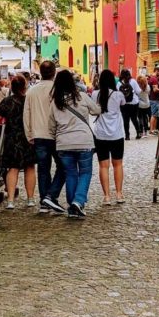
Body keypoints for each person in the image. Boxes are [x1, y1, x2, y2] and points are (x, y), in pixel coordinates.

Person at [51, 69, 102, 218]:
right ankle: (78, 202)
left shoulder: (55, 102)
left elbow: (51, 125)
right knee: (85, 173)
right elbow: (97, 110)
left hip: (63, 143)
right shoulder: (82, 97)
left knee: (70, 174)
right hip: (84, 141)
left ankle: (72, 206)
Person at [24, 60, 65, 214]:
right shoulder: (58, 90)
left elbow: (26, 114)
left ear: (40, 73)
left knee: (43, 169)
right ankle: (51, 194)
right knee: (63, 166)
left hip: (38, 134)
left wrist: (29, 134)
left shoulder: (31, 91)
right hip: (57, 134)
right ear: (54, 72)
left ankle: (44, 201)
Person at [0, 75, 37, 209]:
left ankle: (11, 200)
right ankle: (30, 199)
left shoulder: (8, 101)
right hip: (28, 136)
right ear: (24, 87)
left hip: (12, 137)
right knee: (29, 167)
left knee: (12, 168)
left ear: (12, 87)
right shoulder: (29, 101)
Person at [92, 69, 126, 205]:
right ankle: (119, 193)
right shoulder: (118, 95)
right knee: (118, 165)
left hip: (100, 135)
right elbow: (124, 104)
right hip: (116, 134)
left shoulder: (95, 94)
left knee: (103, 166)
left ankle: (106, 196)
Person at [119, 69, 142, 139]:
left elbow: (118, 94)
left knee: (125, 120)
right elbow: (139, 91)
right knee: (134, 118)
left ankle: (127, 136)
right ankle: (138, 133)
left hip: (124, 104)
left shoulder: (119, 83)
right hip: (134, 103)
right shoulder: (133, 81)